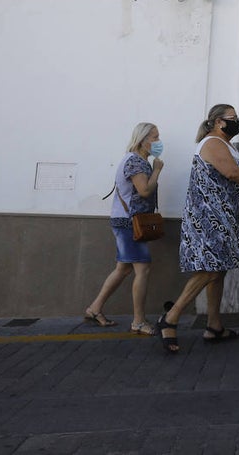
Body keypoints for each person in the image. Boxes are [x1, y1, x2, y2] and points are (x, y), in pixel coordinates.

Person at [155, 104, 239, 354]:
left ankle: (214, 326)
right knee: (209, 271)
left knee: (218, 271)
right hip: (209, 220)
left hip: (222, 219)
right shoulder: (212, 143)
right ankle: (170, 318)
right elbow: (232, 173)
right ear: (218, 122)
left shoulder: (225, 144)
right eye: (232, 118)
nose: (237, 122)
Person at [84, 122, 164, 334]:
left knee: (123, 268)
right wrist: (157, 170)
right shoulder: (135, 162)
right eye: (154, 137)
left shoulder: (138, 160)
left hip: (129, 221)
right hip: (129, 223)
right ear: (142, 139)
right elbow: (145, 190)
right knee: (143, 269)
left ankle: (95, 308)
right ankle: (138, 321)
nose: (158, 142)